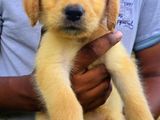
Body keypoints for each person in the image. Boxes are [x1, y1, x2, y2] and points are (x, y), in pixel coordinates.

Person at [0, 0, 160, 120]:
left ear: (110, 5)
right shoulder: (53, 40)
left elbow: (130, 70)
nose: (74, 8)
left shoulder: (105, 36)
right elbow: (51, 72)